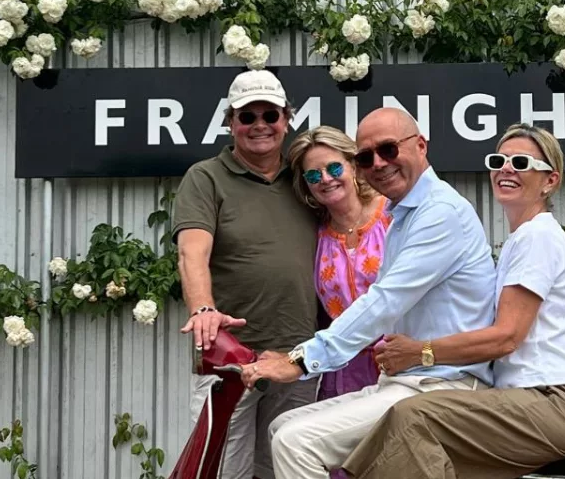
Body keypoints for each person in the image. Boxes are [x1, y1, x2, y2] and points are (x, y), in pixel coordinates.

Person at [233, 107, 498, 479]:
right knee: (282, 428)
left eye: (388, 150)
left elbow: (384, 300)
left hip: (443, 384)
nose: (378, 163)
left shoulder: (440, 213)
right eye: (366, 156)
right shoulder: (405, 213)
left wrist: (299, 361)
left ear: (421, 146)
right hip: (403, 378)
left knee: (295, 441)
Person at [340, 123, 565, 479]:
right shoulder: (518, 241)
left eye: (523, 163)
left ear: (550, 181)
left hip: (554, 402)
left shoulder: (537, 237)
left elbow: (506, 337)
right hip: (524, 399)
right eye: (500, 160)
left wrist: (420, 352)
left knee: (413, 416)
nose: (507, 169)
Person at [170, 69, 321, 479]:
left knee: (286, 469)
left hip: (298, 358)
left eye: (269, 115)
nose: (260, 126)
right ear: (230, 122)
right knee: (224, 470)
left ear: (286, 119)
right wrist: (204, 309)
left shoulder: (307, 179)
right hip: (231, 360)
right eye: (247, 116)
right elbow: (192, 253)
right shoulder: (205, 178)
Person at [286, 125, 392, 478]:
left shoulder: (392, 216)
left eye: (334, 168)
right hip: (342, 372)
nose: (326, 180)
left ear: (353, 165)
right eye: (314, 174)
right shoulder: (316, 233)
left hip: (395, 363)